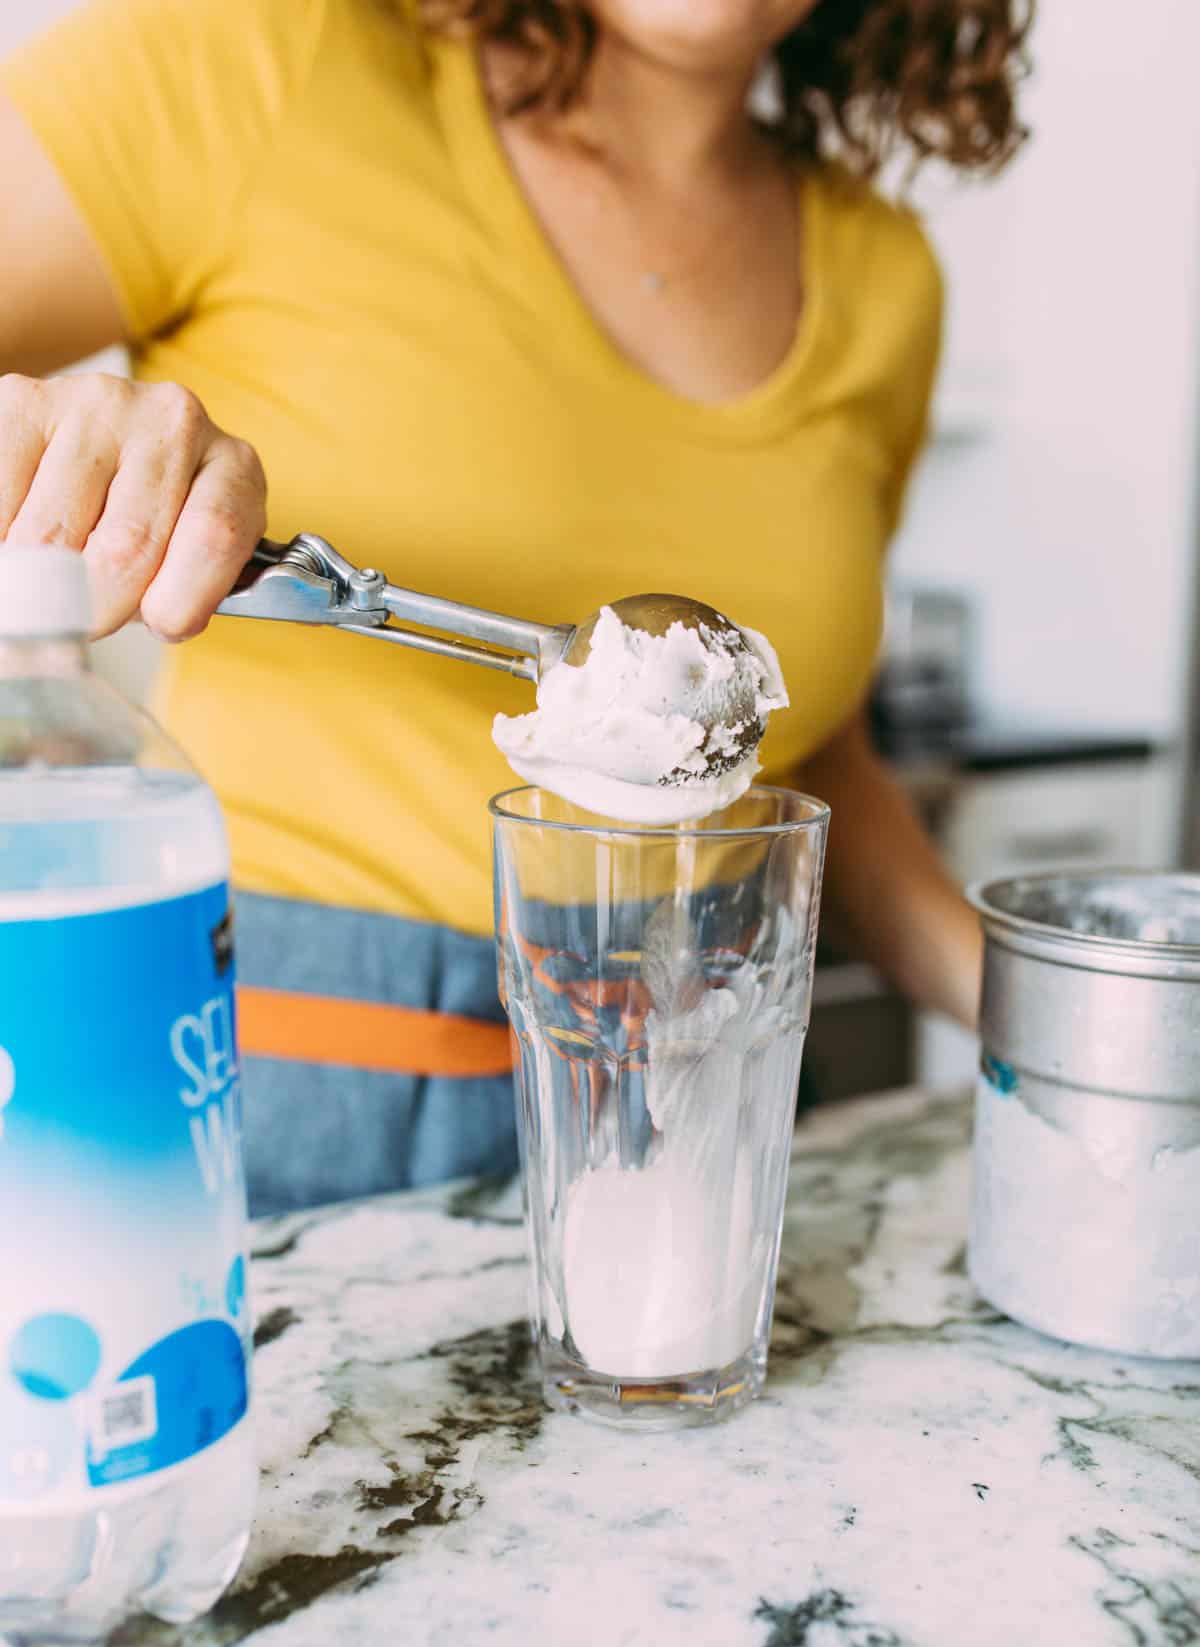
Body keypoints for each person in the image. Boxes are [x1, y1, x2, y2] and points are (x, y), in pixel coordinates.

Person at [0, 0, 1030, 1213]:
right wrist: (60, 438)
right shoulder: (258, 62)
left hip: (704, 1143)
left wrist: (1063, 1022)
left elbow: (808, 756)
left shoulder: (886, 277)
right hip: (276, 1115)